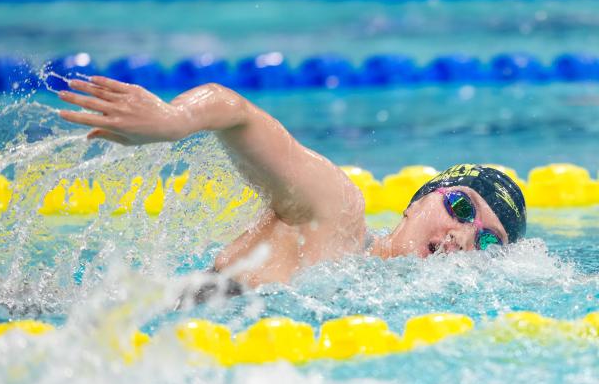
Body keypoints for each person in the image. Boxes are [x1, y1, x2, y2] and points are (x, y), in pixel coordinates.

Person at [58, 77, 527, 290]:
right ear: (419, 201)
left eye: (489, 242)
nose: (464, 237)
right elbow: (235, 111)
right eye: (462, 209)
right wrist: (172, 118)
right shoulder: (336, 216)